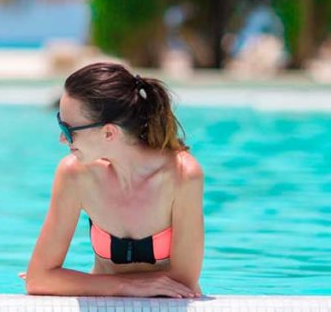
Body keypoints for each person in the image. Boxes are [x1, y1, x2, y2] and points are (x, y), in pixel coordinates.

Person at [25, 62, 204, 298]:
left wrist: (72, 281)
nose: (62, 138)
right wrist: (124, 287)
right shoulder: (75, 174)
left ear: (109, 132)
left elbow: (184, 282)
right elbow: (38, 279)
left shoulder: (181, 176)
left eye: (68, 130)